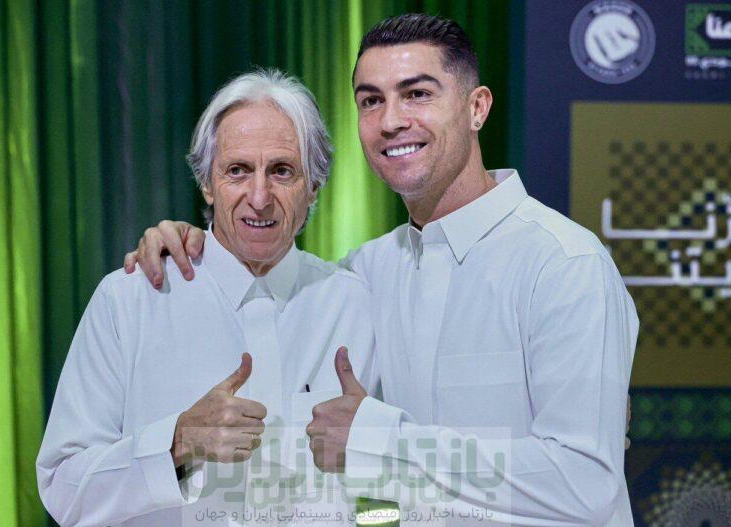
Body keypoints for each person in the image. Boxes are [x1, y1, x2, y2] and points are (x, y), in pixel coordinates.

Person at [124, 14, 638, 526]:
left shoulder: (563, 264)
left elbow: (585, 484)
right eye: (371, 100)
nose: (391, 120)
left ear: (477, 108)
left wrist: (381, 443)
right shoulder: (365, 272)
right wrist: (196, 240)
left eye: (417, 94)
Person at [36, 70, 378, 527]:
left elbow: (404, 487)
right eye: (238, 171)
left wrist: (377, 454)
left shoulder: (355, 303)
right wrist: (178, 441)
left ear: (314, 186)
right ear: (207, 184)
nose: (260, 197)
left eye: (282, 171)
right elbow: (62, 487)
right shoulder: (130, 300)